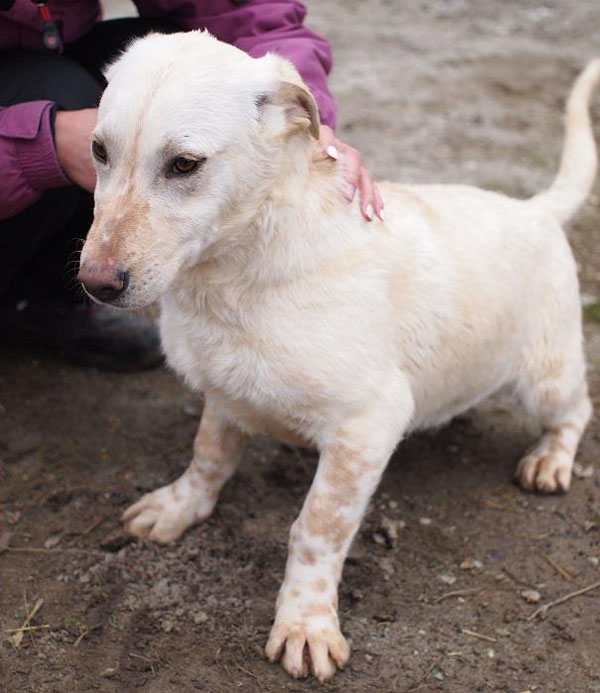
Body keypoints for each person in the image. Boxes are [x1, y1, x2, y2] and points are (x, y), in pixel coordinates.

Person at [0, 0, 383, 371]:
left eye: (183, 164)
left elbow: (246, 11)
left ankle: (41, 301)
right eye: (100, 151)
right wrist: (41, 144)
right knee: (57, 89)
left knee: (176, 60)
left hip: (46, 47)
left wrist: (306, 123)